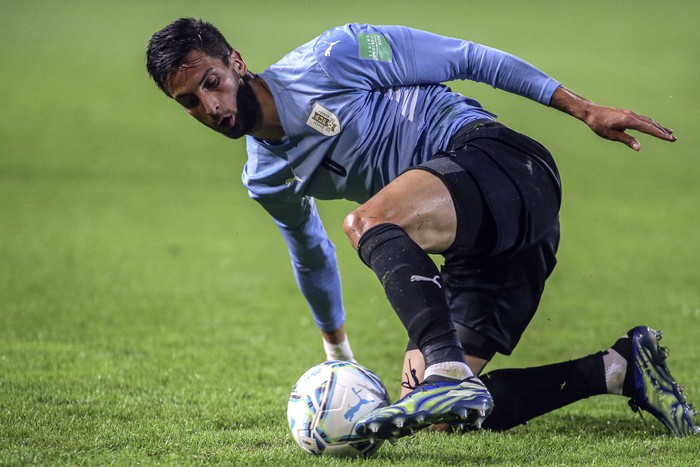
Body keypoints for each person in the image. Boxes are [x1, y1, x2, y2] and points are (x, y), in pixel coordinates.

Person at [145, 19, 697, 439]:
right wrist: (338, 356)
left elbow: (467, 57)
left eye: (212, 82)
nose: (211, 106)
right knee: (447, 417)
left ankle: (447, 367)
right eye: (190, 102)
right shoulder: (265, 176)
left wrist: (582, 108)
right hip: (479, 242)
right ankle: (621, 368)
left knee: (369, 221)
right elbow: (309, 253)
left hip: (504, 165)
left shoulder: (336, 54)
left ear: (236, 62)